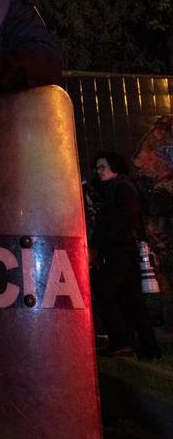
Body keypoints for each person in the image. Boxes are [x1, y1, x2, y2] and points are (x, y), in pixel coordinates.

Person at [90, 151, 161, 360]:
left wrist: (101, 242)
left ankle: (122, 341)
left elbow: (123, 218)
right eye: (97, 167)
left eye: (103, 166)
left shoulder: (120, 187)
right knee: (131, 298)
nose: (99, 171)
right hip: (122, 248)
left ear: (114, 166)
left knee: (105, 291)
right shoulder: (117, 187)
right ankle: (147, 348)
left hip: (120, 249)